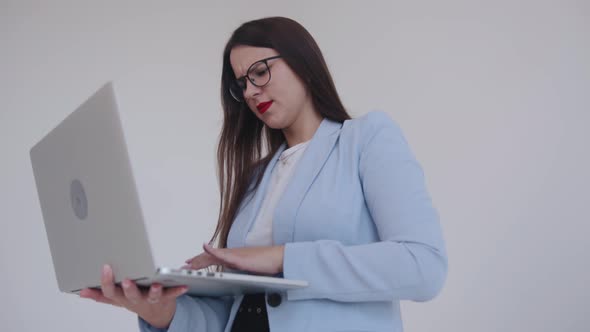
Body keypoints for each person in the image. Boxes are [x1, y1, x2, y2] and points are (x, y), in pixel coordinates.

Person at [79, 16, 448, 331]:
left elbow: (423, 266)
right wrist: (160, 310)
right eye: (242, 84)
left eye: (260, 71)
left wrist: (281, 258)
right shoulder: (257, 178)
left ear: (302, 61)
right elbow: (234, 312)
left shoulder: (365, 138)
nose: (252, 91)